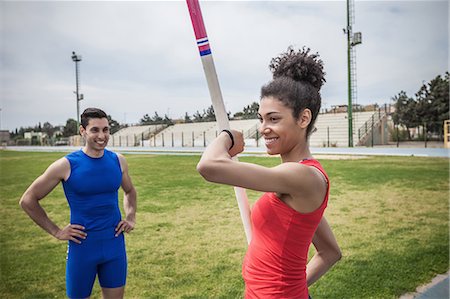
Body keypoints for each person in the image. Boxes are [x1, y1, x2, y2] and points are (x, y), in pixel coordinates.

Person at [197, 47, 341, 298]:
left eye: (273, 119)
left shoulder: (303, 177)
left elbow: (208, 167)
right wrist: (290, 287)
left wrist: (227, 137)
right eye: (261, 119)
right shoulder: (296, 179)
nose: (263, 128)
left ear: (303, 118)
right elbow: (330, 252)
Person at [20, 108, 137, 299]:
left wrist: (131, 217)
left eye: (106, 130)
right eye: (95, 130)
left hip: (114, 246)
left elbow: (130, 191)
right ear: (83, 131)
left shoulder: (118, 161)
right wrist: (56, 231)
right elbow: (28, 200)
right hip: (83, 248)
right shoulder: (66, 165)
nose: (102, 136)